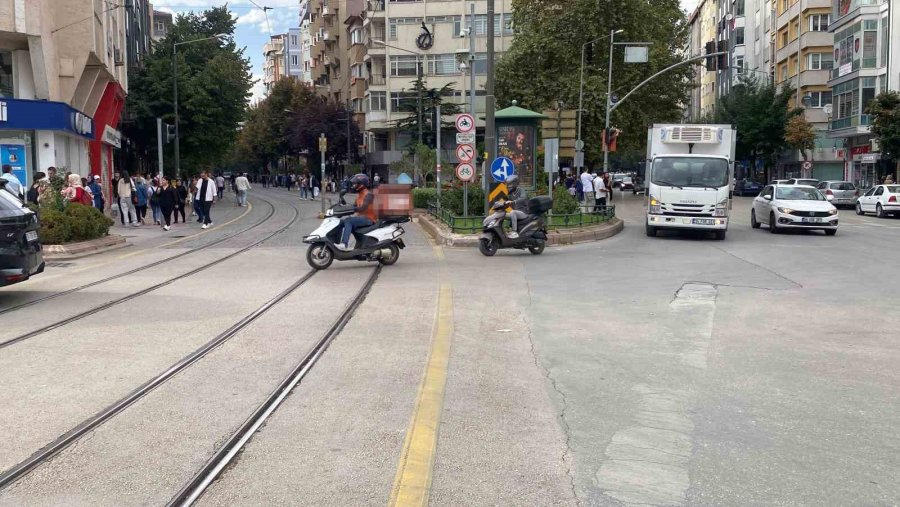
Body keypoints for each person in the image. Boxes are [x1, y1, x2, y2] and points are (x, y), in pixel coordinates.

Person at [336, 174, 376, 251]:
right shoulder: (359, 196)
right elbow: (353, 208)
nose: (353, 186)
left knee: (348, 220)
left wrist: (352, 210)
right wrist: (340, 212)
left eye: (355, 184)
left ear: (361, 184)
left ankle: (344, 244)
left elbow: (363, 208)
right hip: (361, 218)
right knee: (340, 222)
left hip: (369, 219)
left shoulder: (369, 195)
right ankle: (335, 242)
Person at [504, 175, 528, 239]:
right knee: (502, 214)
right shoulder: (510, 193)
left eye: (510, 184)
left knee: (512, 212)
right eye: (507, 184)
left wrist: (514, 201)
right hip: (515, 213)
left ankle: (514, 232)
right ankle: (504, 231)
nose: (508, 186)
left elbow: (523, 198)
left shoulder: (521, 190)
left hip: (523, 212)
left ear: (515, 183)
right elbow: (506, 201)